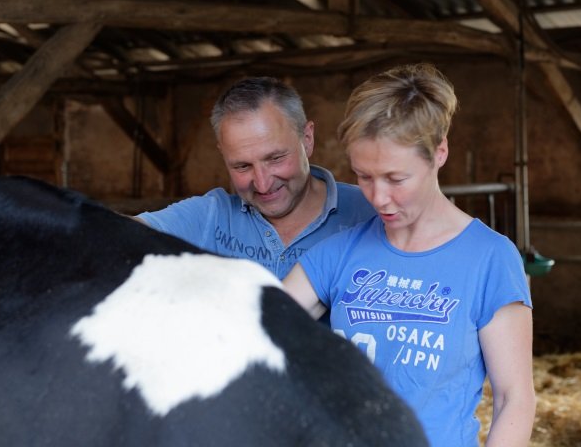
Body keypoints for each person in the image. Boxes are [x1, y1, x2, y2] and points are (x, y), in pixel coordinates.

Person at [283, 64, 535, 446]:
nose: (378, 197)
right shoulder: (337, 253)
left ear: (440, 152)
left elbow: (513, 398)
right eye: (363, 176)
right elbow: (261, 327)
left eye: (396, 179)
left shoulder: (490, 259)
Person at [136, 76, 375, 279]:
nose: (262, 183)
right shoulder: (212, 216)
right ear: (223, 153)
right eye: (242, 166)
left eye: (275, 158)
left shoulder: (372, 213)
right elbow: (120, 232)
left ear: (307, 139)